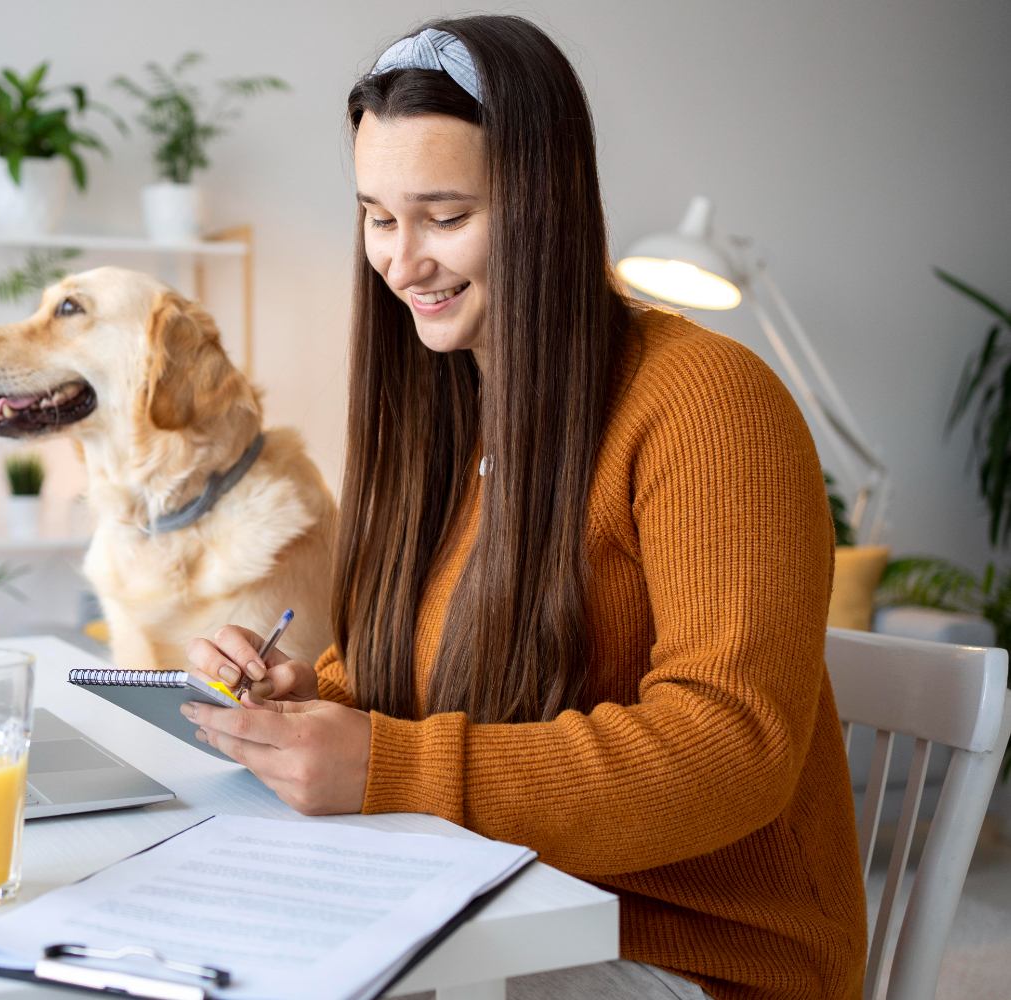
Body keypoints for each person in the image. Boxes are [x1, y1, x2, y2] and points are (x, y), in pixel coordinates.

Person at [181, 14, 868, 1000]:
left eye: (445, 214)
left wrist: (390, 767)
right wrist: (311, 702)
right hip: (495, 908)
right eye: (378, 216)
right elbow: (427, 682)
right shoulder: (443, 408)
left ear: (545, 202)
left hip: (698, 958)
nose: (401, 260)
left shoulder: (706, 402)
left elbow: (732, 746)